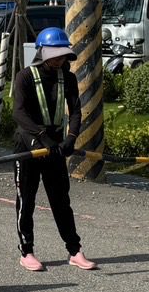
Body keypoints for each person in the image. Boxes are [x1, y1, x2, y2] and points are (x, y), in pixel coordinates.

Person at [11, 26, 97, 273]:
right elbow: (19, 113)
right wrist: (41, 138)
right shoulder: (25, 76)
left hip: (56, 146)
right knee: (25, 200)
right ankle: (27, 251)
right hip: (28, 146)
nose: (60, 60)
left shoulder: (67, 78)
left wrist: (70, 138)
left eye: (63, 56)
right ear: (42, 53)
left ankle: (74, 250)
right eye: (55, 55)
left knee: (61, 200)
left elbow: (76, 110)